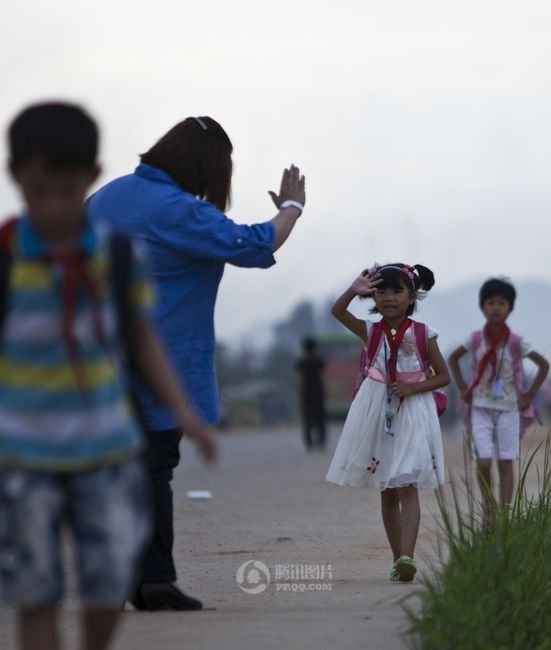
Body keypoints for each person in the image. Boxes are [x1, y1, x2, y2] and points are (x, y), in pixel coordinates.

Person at [0, 102, 216, 650]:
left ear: (92, 180)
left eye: (66, 190)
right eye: (37, 190)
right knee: (37, 591)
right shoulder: (6, 254)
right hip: (25, 457)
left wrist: (185, 410)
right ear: (16, 178)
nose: (51, 205)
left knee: (105, 585)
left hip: (103, 449)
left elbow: (143, 338)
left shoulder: (115, 256)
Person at [87, 116, 307, 610]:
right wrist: (292, 209)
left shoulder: (105, 198)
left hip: (93, 360)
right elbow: (253, 243)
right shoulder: (179, 211)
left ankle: (120, 574)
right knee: (152, 466)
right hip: (158, 360)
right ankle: (153, 580)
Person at [326, 264, 449, 582]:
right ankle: (398, 558)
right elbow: (337, 311)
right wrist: (354, 288)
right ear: (373, 296)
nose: (389, 298)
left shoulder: (424, 333)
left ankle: (407, 554)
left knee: (407, 483)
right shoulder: (370, 330)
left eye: (397, 291)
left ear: (412, 297)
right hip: (378, 412)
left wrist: (413, 387)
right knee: (387, 488)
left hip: (413, 411)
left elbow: (443, 376)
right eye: (382, 292)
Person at [447, 278, 549, 519]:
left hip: (509, 408)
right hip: (479, 407)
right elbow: (453, 359)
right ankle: (489, 506)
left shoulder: (515, 342)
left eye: (501, 303)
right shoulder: (474, 339)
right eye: (490, 302)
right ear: (482, 307)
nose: (495, 307)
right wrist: (462, 386)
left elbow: (543, 365)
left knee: (505, 460)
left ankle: (503, 513)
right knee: (482, 461)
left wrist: (530, 394)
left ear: (510, 308)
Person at [296, 336, 326, 451]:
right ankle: (321, 442)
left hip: (306, 393)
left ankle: (309, 444)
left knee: (307, 419)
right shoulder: (319, 361)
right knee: (320, 419)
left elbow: (298, 379)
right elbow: (323, 377)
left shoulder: (301, 362)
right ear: (315, 348)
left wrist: (300, 393)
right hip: (318, 392)